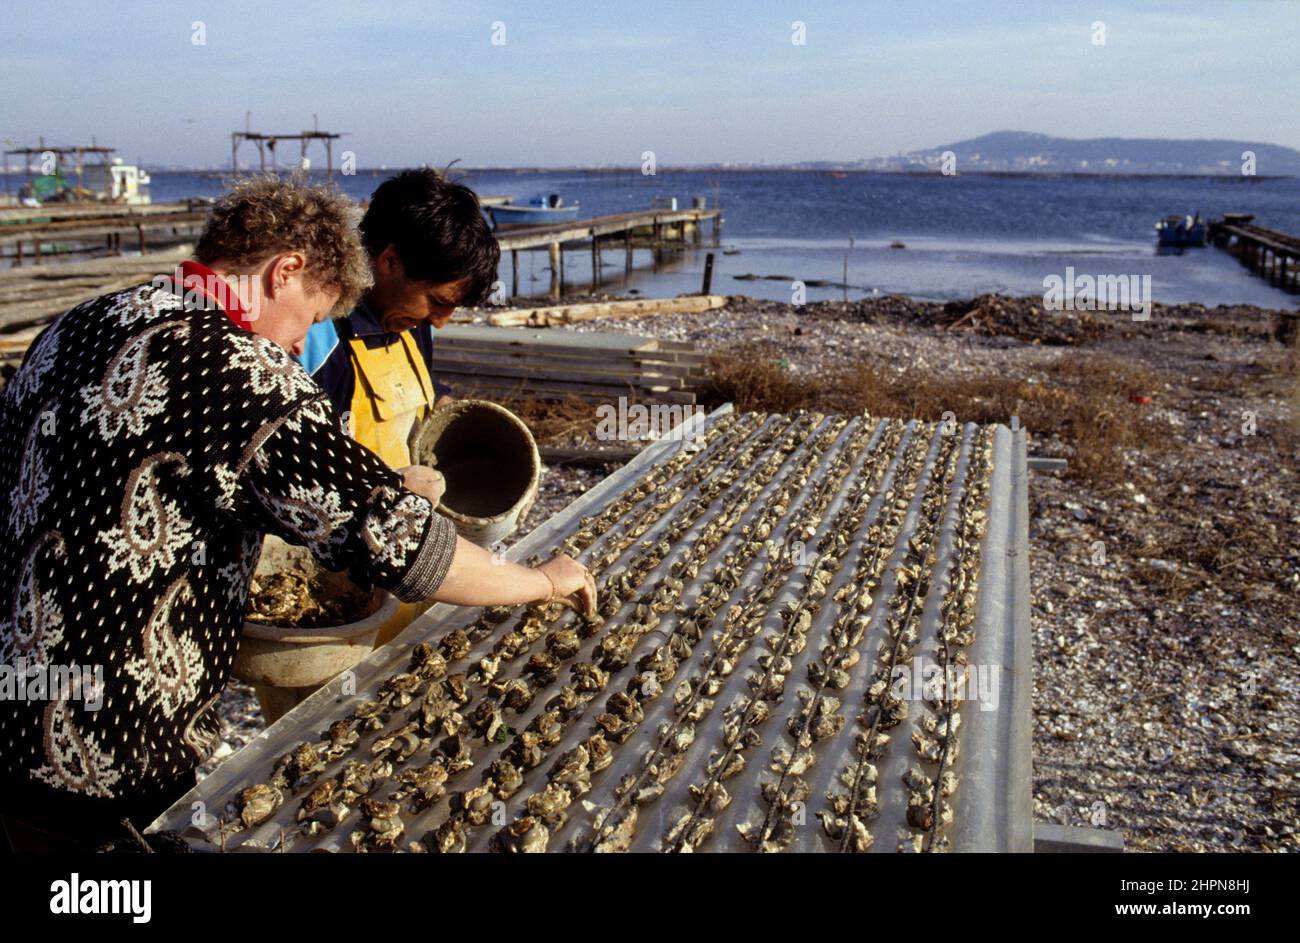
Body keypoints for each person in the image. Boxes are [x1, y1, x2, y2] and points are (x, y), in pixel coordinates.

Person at [0, 176, 595, 851]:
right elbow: (411, 552)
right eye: (310, 319)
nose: (297, 345)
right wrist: (543, 580)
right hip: (111, 764)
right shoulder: (244, 371)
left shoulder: (79, 324)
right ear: (285, 270)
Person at [298, 169, 499, 467]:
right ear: (390, 261)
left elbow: (413, 390)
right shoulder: (313, 336)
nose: (440, 322)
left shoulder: (412, 323)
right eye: (438, 301)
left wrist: (445, 406)